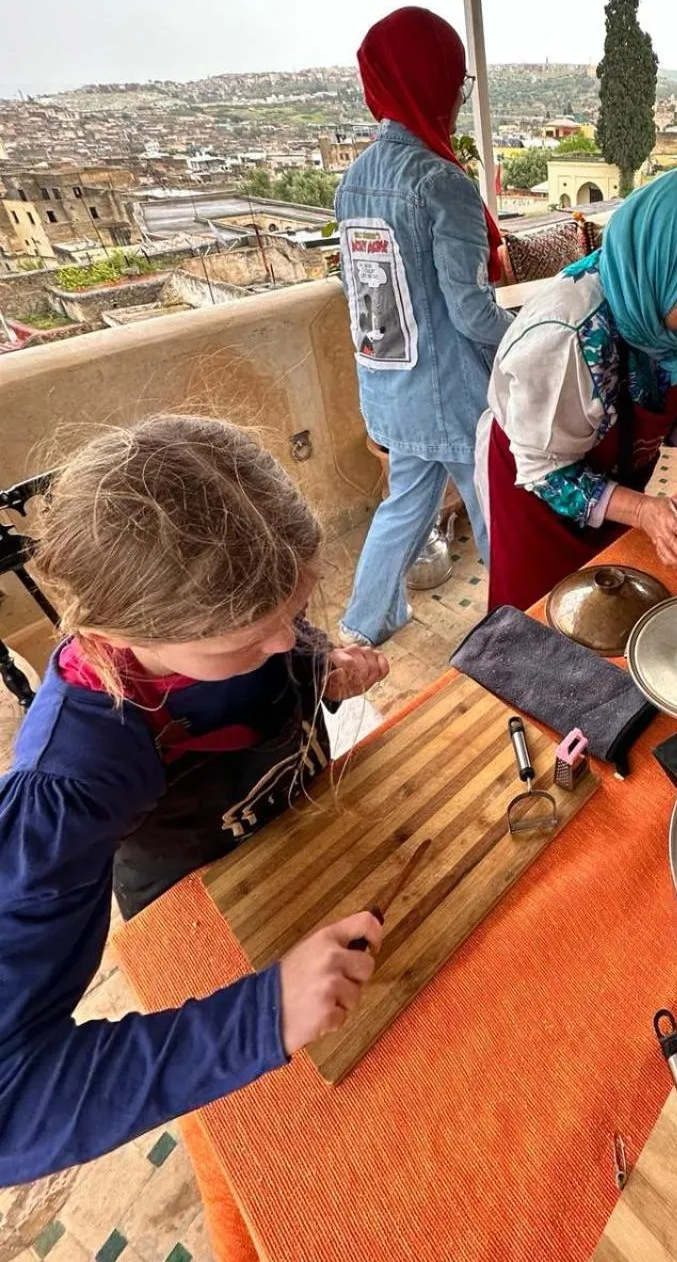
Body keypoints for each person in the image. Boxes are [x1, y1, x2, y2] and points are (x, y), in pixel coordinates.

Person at [0, 415, 391, 1185]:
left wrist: (318, 664)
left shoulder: (239, 597)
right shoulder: (67, 786)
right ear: (123, 628)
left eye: (296, 611)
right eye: (247, 641)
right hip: (197, 900)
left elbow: (272, 639)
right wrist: (258, 1019)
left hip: (299, 835)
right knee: (300, 1140)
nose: (283, 642)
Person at [479, 165, 677, 613]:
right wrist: (643, 510)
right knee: (545, 625)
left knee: (610, 608)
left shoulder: (665, 306)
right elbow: (544, 471)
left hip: (614, 483)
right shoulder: (564, 338)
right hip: (539, 508)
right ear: (676, 264)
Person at [337, 6, 512, 645]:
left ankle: (364, 623)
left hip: (388, 381)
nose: (459, 97)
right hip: (453, 395)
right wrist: (523, 332)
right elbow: (470, 309)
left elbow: (358, 291)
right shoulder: (442, 182)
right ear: (434, 82)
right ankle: (514, 625)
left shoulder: (354, 179)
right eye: (458, 82)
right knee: (497, 512)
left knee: (404, 507)